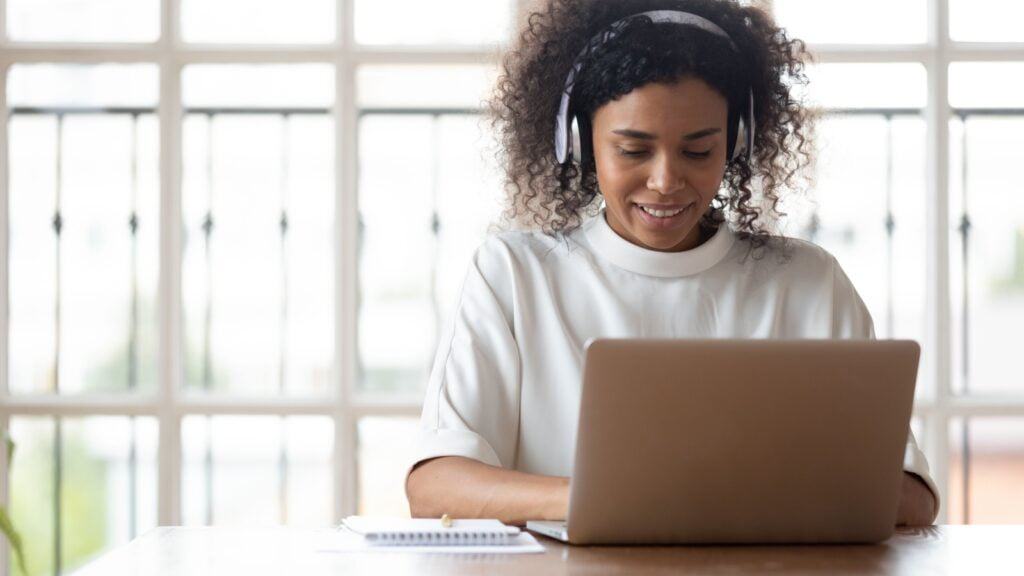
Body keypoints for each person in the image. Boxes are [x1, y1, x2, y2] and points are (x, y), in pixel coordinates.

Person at [404, 0, 939, 528]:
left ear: (737, 141)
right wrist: (611, 500)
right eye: (634, 150)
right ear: (579, 141)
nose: (665, 181)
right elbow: (435, 485)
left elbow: (912, 498)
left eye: (699, 151)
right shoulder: (514, 275)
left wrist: (711, 502)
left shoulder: (808, 283)